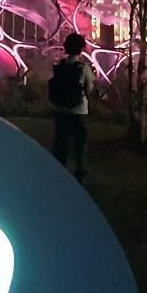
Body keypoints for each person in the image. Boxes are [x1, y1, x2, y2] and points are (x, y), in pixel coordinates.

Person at [49, 32, 94, 183]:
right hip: (79, 111)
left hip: (61, 110)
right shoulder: (83, 67)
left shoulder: (59, 66)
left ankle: (59, 172)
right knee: (80, 143)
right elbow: (89, 87)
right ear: (81, 49)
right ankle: (80, 172)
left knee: (61, 142)